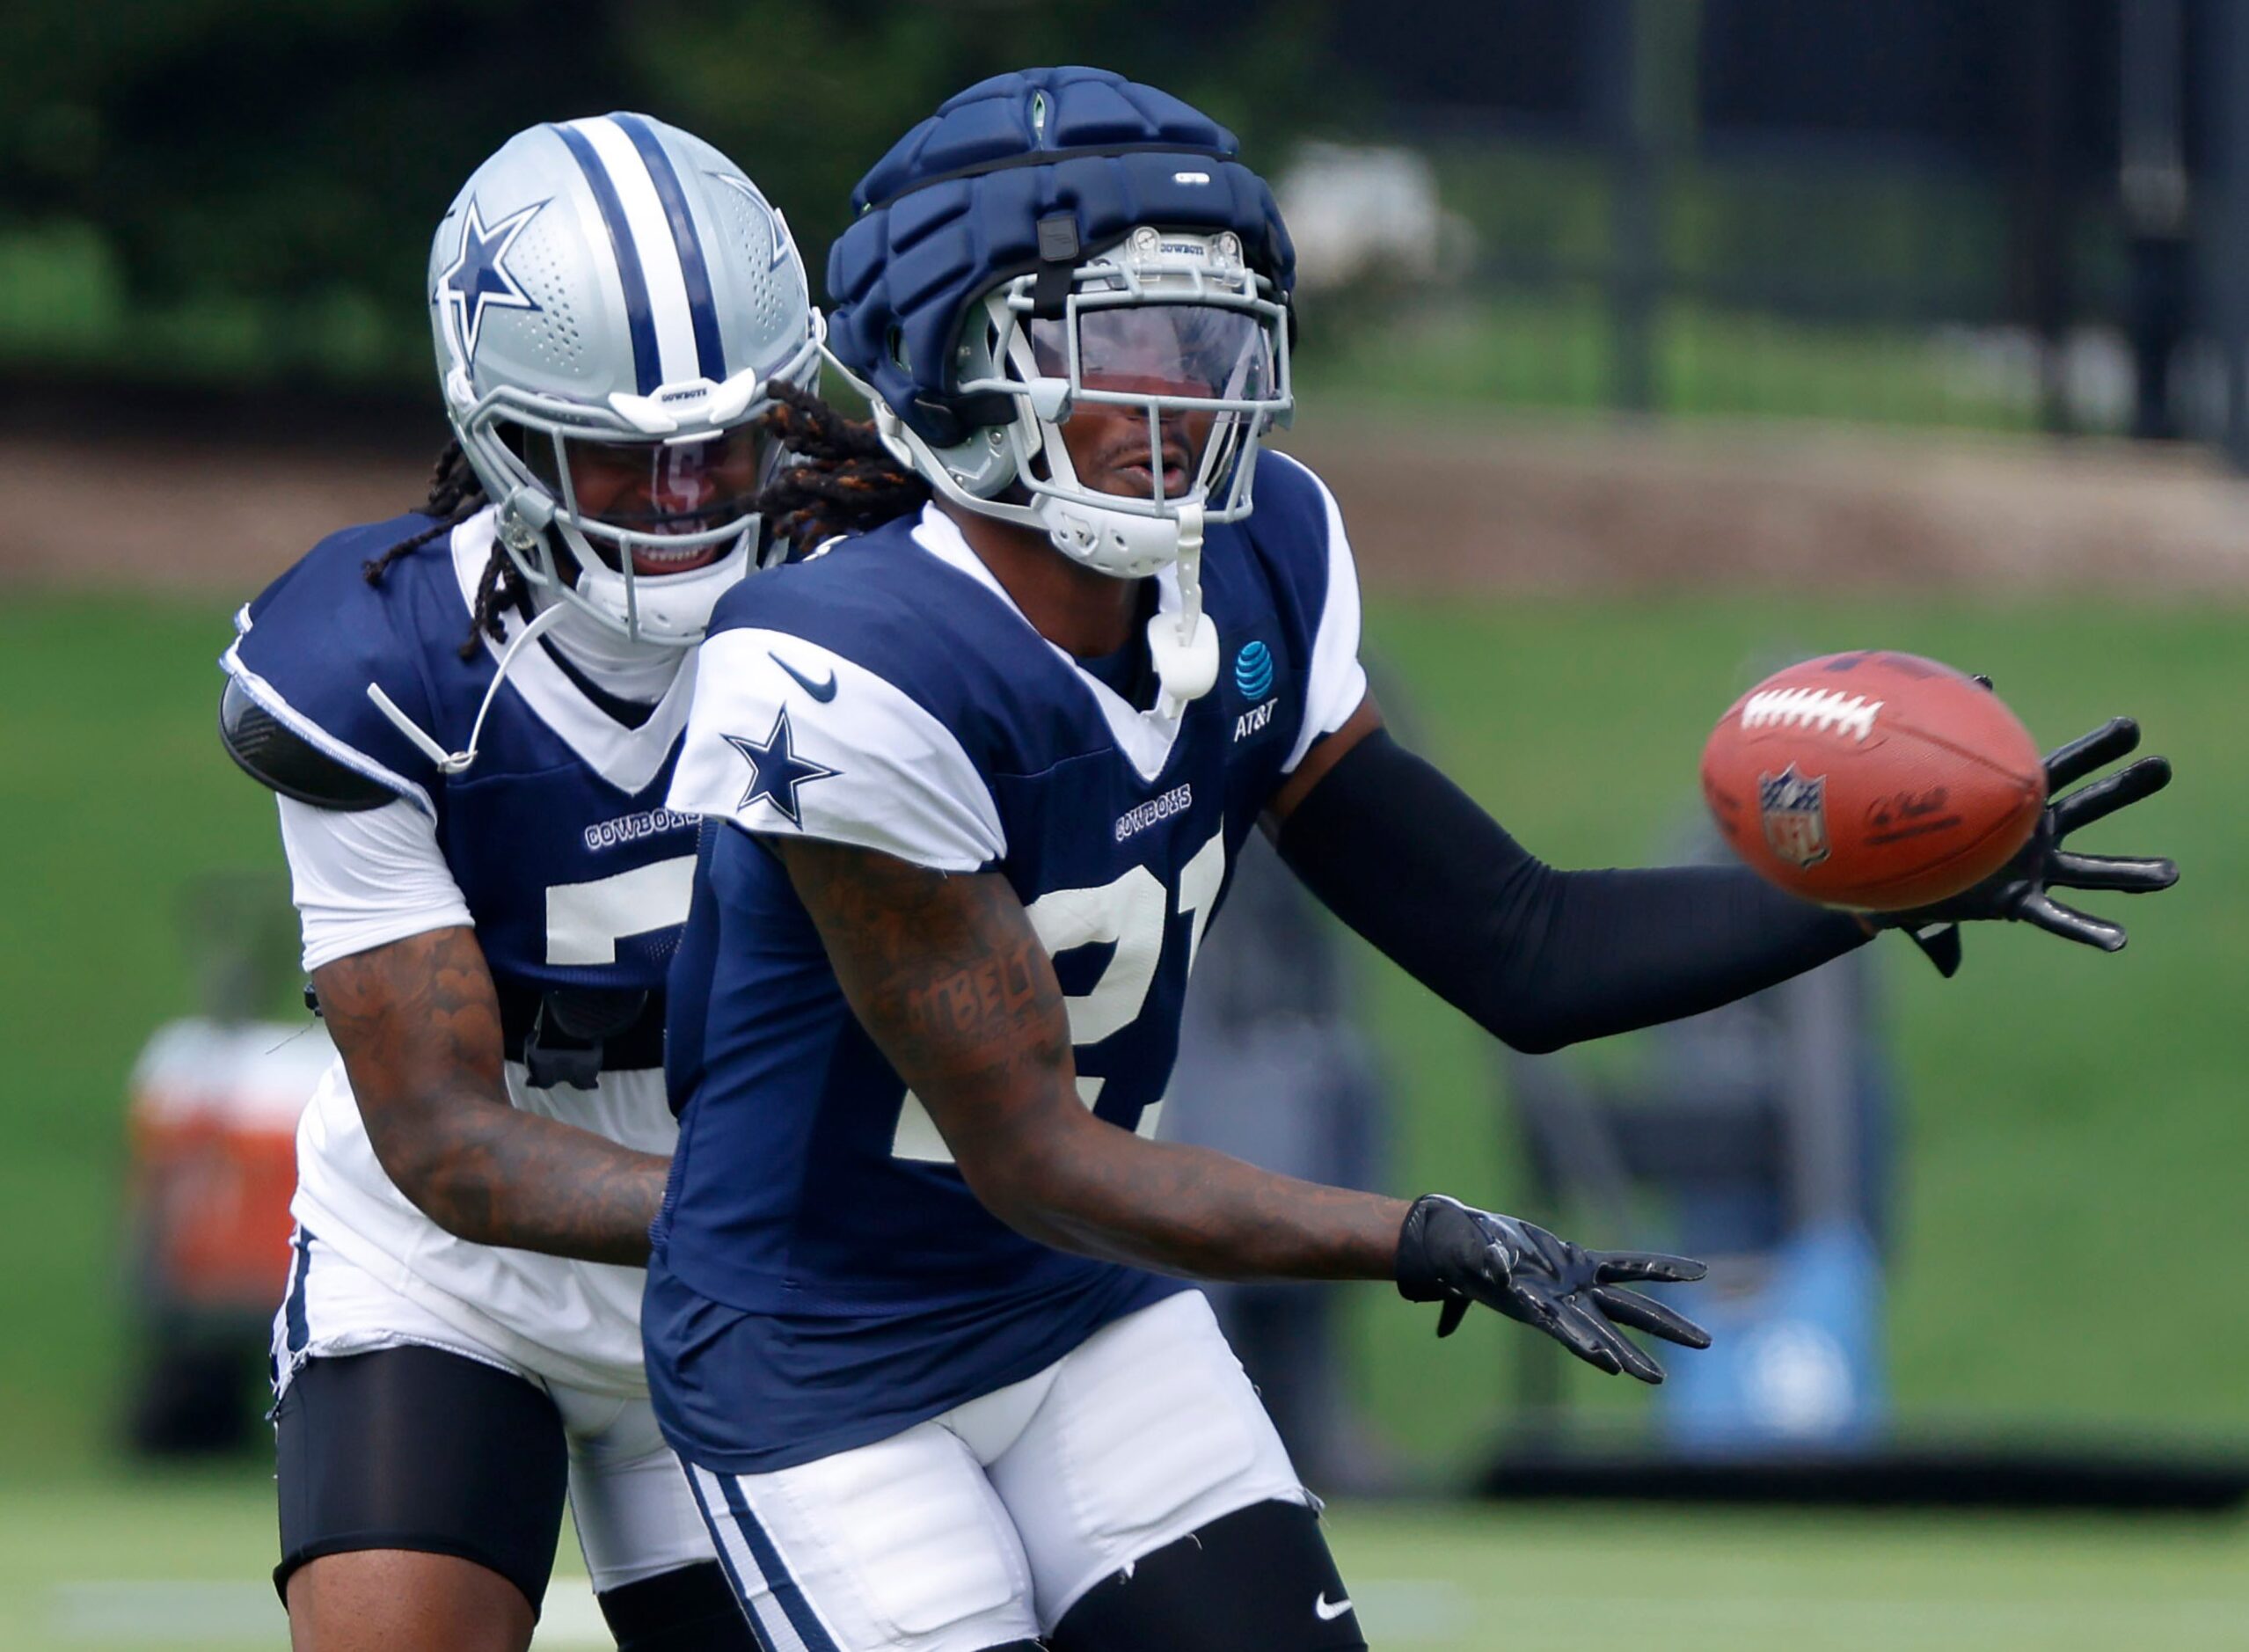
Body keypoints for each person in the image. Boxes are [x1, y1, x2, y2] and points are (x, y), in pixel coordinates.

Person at [648, 68, 2177, 1652]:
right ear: (954, 360)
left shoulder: (1262, 563)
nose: (1189, 389)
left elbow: (1523, 947)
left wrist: (1880, 884)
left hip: (1075, 1308)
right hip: (825, 1358)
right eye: (1122, 342)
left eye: (1211, 334)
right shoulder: (852, 666)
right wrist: (1418, 1235)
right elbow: (1034, 1154)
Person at [219, 113, 820, 1652]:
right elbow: (445, 1137)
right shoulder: (384, 662)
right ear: (498, 429)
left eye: (721, 447)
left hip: (769, 1290)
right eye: (626, 452)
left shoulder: (865, 617)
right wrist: (794, 1210)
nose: (685, 497)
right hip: (460, 1268)